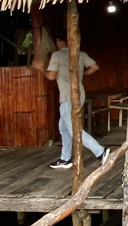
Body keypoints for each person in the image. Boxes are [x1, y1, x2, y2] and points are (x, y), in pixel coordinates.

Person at [32, 35, 108, 169]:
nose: (56, 43)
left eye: (56, 40)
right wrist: (84, 74)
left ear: (61, 41)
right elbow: (95, 67)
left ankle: (100, 151)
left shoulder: (57, 55)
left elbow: (51, 76)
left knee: (74, 129)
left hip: (68, 97)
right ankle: (65, 158)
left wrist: (41, 68)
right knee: (63, 126)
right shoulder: (80, 54)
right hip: (80, 94)